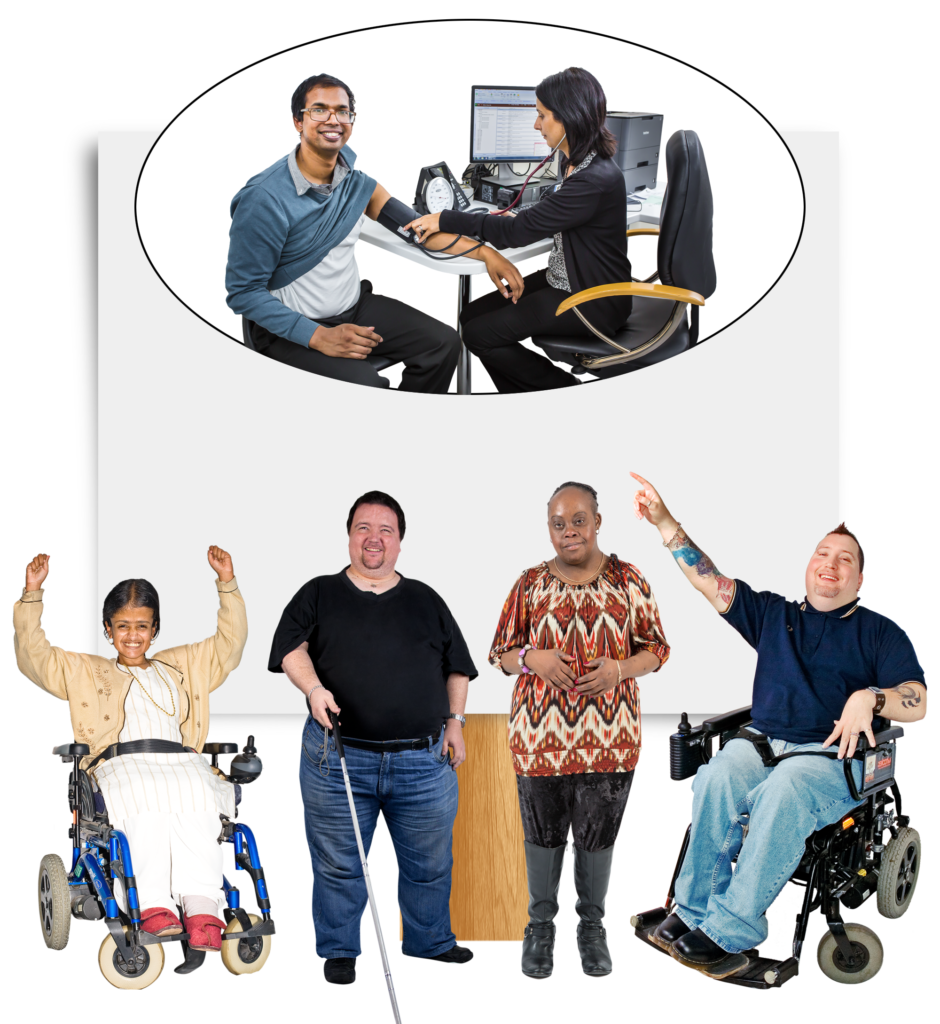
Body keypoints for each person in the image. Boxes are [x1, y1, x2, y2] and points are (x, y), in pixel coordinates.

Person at [629, 471, 928, 977]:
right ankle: (691, 913)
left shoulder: (881, 633)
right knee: (718, 777)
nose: (829, 564)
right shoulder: (773, 615)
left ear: (859, 579)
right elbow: (709, 580)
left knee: (783, 791)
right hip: (764, 743)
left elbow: (918, 703)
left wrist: (871, 697)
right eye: (822, 554)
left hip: (833, 758)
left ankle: (729, 933)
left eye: (844, 559)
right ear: (808, 568)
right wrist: (663, 523)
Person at [268, 490, 478, 986]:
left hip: (424, 764)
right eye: (364, 528)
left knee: (429, 865)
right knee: (339, 865)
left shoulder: (426, 599)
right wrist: (314, 688)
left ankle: (429, 944)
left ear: (400, 542)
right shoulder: (318, 592)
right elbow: (290, 648)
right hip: (338, 759)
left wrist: (455, 722)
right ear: (349, 536)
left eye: (385, 530)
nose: (374, 538)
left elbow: (458, 669)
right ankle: (340, 950)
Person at [14, 547, 247, 958]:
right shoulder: (86, 670)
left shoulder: (182, 665)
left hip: (180, 761)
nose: (133, 635)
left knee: (198, 796)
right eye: (123, 626)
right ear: (108, 629)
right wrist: (33, 593)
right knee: (143, 797)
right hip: (120, 765)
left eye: (142, 626)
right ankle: (154, 903)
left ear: (155, 629)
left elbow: (229, 644)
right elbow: (35, 657)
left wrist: (226, 583)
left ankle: (202, 906)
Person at [225, 73, 523, 392]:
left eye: (343, 111)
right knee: (367, 383)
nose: (333, 119)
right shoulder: (264, 198)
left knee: (443, 343)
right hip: (291, 327)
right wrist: (317, 336)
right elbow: (243, 291)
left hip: (353, 308)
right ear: (298, 121)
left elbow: (418, 230)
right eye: (319, 110)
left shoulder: (358, 185)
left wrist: (486, 253)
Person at [488, 482, 669, 980]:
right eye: (558, 523)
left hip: (609, 741)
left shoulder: (629, 579)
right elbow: (499, 655)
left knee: (597, 838)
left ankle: (591, 926)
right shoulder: (528, 584)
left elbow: (656, 648)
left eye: (578, 520)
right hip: (539, 739)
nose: (568, 531)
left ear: (597, 521)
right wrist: (532, 659)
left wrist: (619, 671)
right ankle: (540, 926)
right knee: (542, 836)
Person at [406, 68, 632, 393]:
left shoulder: (592, 180)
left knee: (477, 335)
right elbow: (547, 222)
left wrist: (446, 218)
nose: (536, 125)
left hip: (590, 301)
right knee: (470, 316)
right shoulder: (581, 163)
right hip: (571, 279)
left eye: (542, 116)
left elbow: (516, 233)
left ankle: (558, 390)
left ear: (569, 117)